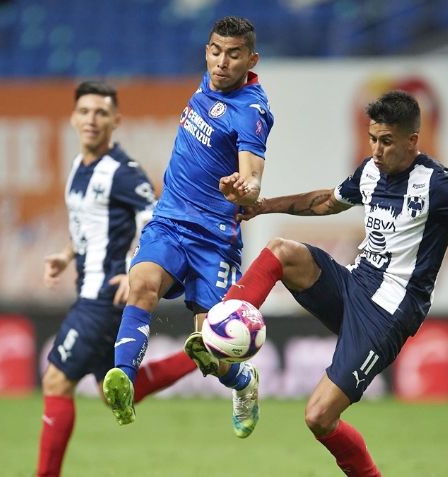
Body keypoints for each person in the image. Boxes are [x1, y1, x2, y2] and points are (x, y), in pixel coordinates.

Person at [221, 90, 448, 475]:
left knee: (318, 417)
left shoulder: (438, 183)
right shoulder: (369, 172)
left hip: (387, 314)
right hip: (353, 285)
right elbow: (325, 202)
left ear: (412, 140)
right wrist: (263, 206)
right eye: (372, 139)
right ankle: (225, 322)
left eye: (386, 141)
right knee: (282, 251)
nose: (377, 150)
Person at [102, 16, 275, 439]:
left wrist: (245, 189)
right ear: (206, 51)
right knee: (141, 282)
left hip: (215, 240)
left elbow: (253, 178)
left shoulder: (252, 112)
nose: (221, 62)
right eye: (215, 51)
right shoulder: (208, 82)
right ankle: (123, 376)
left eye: (234, 55)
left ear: (251, 59)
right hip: (170, 220)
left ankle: (242, 381)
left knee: (213, 354)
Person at [36, 81, 198, 477]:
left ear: (116, 120)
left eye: (101, 113)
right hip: (89, 288)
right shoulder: (78, 167)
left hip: (102, 296)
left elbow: (155, 220)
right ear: (74, 118)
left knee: (56, 381)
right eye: (86, 112)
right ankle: (203, 352)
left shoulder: (123, 173)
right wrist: (67, 254)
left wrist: (133, 268)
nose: (92, 120)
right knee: (119, 391)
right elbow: (89, 227)